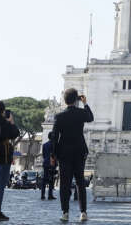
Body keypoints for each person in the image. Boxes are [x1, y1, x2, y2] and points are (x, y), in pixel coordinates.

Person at [51, 88, 94, 223]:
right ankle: (83, 212)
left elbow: (54, 137)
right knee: (80, 182)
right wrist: (85, 103)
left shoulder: (59, 116)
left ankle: (65, 212)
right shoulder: (81, 113)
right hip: (79, 151)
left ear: (64, 100)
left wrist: (53, 154)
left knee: (65, 183)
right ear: (76, 100)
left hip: (64, 153)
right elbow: (90, 117)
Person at [40, 131, 57, 200]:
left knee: (44, 180)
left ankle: (42, 195)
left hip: (46, 163)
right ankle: (50, 195)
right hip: (52, 164)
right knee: (51, 180)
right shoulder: (55, 145)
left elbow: (44, 155)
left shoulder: (44, 145)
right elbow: (55, 155)